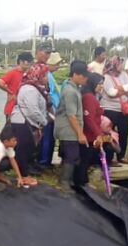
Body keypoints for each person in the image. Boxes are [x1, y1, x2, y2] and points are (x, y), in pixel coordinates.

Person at [10, 65, 50, 181]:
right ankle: (23, 175)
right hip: (23, 122)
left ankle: (24, 172)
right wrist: (44, 121)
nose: (47, 78)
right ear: (39, 75)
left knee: (27, 149)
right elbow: (33, 110)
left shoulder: (36, 87)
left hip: (27, 122)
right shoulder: (29, 89)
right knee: (23, 149)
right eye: (45, 75)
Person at [55, 60, 89, 188]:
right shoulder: (70, 91)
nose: (85, 79)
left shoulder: (74, 89)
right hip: (68, 130)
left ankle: (67, 180)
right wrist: (80, 134)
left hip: (70, 129)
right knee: (72, 156)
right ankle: (64, 182)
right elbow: (71, 115)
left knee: (70, 155)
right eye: (83, 76)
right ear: (76, 74)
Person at [100, 57, 128, 165]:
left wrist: (119, 89)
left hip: (123, 110)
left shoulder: (124, 75)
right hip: (109, 109)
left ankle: (121, 155)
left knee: (124, 132)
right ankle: (109, 157)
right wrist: (123, 90)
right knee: (109, 133)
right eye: (119, 64)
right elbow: (111, 93)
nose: (121, 66)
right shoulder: (106, 77)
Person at [0, 52, 33, 116]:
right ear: (20, 61)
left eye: (30, 61)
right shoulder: (13, 73)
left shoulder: (29, 74)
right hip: (12, 109)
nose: (29, 63)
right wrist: (11, 93)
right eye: (27, 61)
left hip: (24, 110)